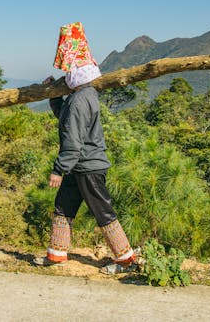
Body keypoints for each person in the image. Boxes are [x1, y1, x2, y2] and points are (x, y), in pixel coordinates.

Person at [34, 22, 138, 274]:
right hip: (80, 166)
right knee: (63, 207)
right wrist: (54, 97)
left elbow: (72, 139)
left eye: (68, 71)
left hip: (87, 167)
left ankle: (126, 261)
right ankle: (56, 255)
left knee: (103, 212)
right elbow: (66, 120)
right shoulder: (83, 96)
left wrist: (58, 170)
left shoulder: (80, 100)